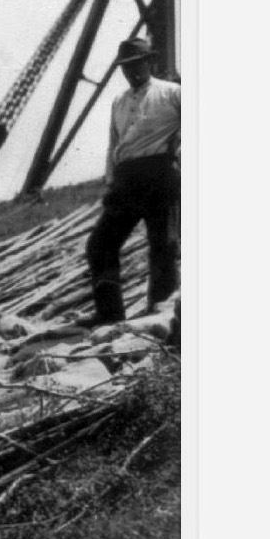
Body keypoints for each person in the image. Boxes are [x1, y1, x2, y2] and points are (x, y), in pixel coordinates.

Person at [85, 36, 181, 325]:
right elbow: (114, 144)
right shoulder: (119, 101)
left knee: (163, 244)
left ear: (149, 62)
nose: (131, 71)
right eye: (126, 66)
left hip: (159, 173)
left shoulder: (172, 93)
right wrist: (111, 181)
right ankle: (109, 314)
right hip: (126, 179)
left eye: (137, 64)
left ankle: (161, 313)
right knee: (100, 244)